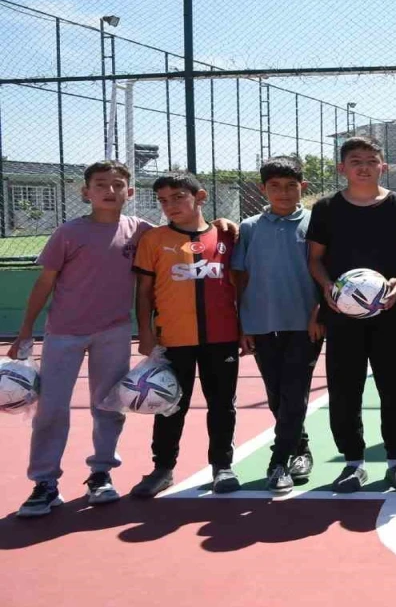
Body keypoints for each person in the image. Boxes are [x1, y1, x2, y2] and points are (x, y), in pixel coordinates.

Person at [11, 161, 147, 516]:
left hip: (114, 332)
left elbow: (182, 233)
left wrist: (222, 225)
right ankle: (44, 482)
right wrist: (25, 330)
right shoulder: (69, 232)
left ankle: (101, 473)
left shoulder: (140, 230)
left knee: (108, 405)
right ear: (86, 192)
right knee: (52, 408)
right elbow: (45, 282)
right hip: (63, 333)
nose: (110, 190)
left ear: (130, 192)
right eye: (100, 184)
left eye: (118, 185)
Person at [307, 136, 396, 493]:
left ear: (382, 166)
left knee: (395, 387)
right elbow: (315, 259)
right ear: (342, 168)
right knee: (345, 388)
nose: (364, 167)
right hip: (342, 315)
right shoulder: (326, 208)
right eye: (355, 161)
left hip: (391, 312)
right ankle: (353, 463)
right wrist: (328, 287)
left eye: (371, 161)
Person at [131, 172, 241, 498]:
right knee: (169, 405)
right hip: (173, 338)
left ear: (200, 197)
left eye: (178, 197)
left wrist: (244, 328)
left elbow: (240, 285)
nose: (170, 205)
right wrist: (145, 331)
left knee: (222, 405)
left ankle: (222, 466)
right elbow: (144, 291)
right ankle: (163, 468)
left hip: (222, 336)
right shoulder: (153, 239)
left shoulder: (226, 235)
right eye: (163, 200)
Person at [231, 156, 323, 495]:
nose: (283, 193)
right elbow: (240, 278)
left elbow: (325, 273)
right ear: (263, 189)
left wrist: (318, 313)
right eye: (275, 186)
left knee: (295, 394)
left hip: (304, 325)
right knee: (277, 396)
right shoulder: (250, 227)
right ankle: (301, 448)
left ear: (303, 187)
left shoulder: (317, 224)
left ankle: (278, 462)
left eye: (290, 186)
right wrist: (243, 325)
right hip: (261, 324)